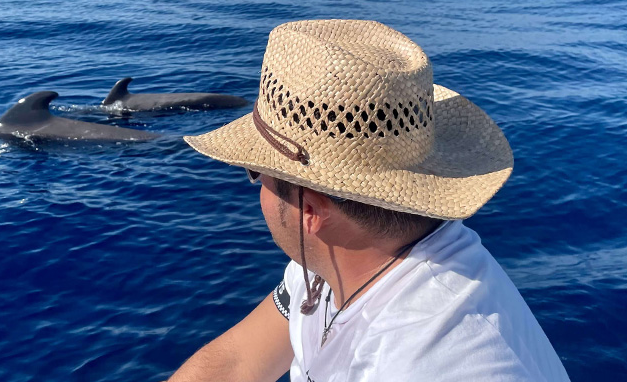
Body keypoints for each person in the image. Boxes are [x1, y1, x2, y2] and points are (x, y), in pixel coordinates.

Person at [168, 20, 569, 382]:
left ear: (311, 211)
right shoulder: (331, 262)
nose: (256, 189)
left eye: (256, 173)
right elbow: (238, 361)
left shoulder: (435, 364)